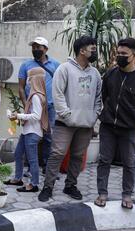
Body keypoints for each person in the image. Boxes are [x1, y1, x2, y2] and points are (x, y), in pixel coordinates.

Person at [38, 36, 102, 202]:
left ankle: (70, 185)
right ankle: (48, 187)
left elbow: (98, 97)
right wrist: (67, 115)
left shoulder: (95, 73)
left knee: (78, 156)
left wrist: (94, 116)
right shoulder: (64, 69)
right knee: (57, 154)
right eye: (92, 49)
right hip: (64, 123)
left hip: (86, 124)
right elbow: (57, 94)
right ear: (82, 51)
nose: (94, 52)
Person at [95, 38, 135, 209]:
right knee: (104, 160)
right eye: (118, 53)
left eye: (124, 54)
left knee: (129, 163)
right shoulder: (110, 73)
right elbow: (105, 96)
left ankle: (127, 195)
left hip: (130, 129)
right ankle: (102, 193)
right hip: (108, 126)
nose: (120, 56)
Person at [18, 37, 60, 172]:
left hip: (50, 107)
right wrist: (26, 106)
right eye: (34, 47)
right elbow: (21, 87)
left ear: (46, 49)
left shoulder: (56, 64)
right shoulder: (26, 65)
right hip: (32, 108)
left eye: (39, 47)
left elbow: (60, 85)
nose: (35, 49)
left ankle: (47, 167)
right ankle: (31, 167)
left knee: (49, 137)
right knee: (31, 136)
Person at [5, 68, 49, 193]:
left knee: (32, 159)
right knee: (18, 154)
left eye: (30, 79)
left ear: (35, 80)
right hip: (27, 131)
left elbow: (36, 116)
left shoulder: (36, 96)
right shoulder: (37, 95)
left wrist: (18, 115)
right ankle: (18, 178)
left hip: (32, 132)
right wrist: (18, 117)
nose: (28, 82)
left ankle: (34, 184)